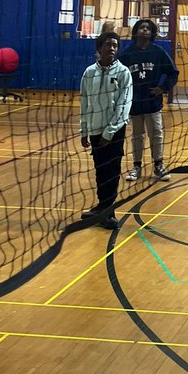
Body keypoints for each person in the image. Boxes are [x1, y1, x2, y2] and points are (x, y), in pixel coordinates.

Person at [79, 31, 133, 229]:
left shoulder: (123, 72)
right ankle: (101, 207)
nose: (112, 48)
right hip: (94, 130)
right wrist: (84, 130)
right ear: (99, 48)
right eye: (108, 45)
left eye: (115, 45)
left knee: (112, 171)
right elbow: (84, 102)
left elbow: (123, 105)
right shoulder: (89, 73)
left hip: (114, 131)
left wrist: (109, 132)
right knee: (100, 171)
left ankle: (109, 212)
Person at [119, 18, 179, 183]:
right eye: (141, 27)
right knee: (137, 136)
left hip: (153, 102)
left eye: (148, 28)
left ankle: (158, 165)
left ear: (152, 33)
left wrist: (163, 88)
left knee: (156, 133)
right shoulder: (127, 54)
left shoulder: (158, 52)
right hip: (135, 103)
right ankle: (136, 167)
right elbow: (117, 76)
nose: (145, 30)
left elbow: (173, 72)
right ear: (136, 31)